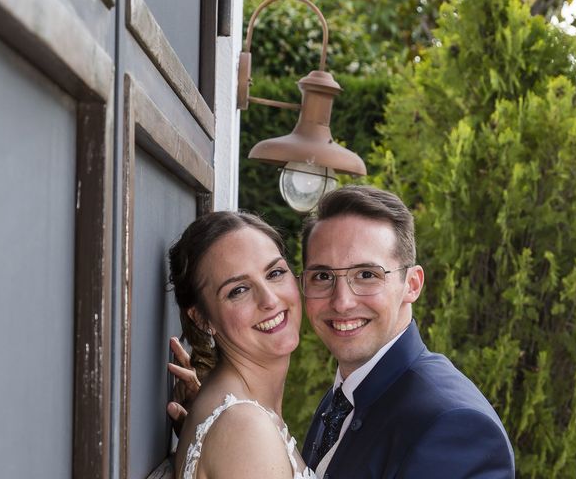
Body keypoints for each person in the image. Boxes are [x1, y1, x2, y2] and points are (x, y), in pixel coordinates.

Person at [170, 185, 515, 478]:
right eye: (323, 275)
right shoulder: (317, 405)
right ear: (202, 318)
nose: (343, 301)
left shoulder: (454, 426)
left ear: (412, 284)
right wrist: (227, 433)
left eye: (367, 274)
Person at [167, 211, 318, 479]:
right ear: (201, 318)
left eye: (275, 273)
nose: (269, 299)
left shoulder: (238, 413)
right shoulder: (246, 429)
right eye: (238, 290)